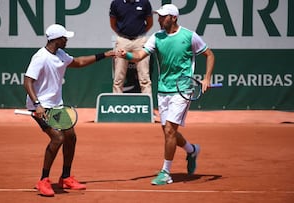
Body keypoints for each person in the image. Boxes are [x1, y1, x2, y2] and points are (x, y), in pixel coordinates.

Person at [116, 4, 215, 185]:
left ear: (174, 18)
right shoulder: (157, 37)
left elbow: (209, 54)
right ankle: (192, 150)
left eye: (163, 17)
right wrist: (127, 55)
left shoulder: (189, 36)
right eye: (159, 17)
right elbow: (140, 55)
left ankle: (165, 173)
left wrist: (207, 78)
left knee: (170, 130)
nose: (159, 20)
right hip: (163, 90)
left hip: (182, 90)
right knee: (169, 132)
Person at [23, 24, 114, 196]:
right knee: (57, 138)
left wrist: (105, 55)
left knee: (70, 137)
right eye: (65, 38)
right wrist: (37, 104)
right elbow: (27, 81)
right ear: (57, 39)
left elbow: (78, 62)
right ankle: (43, 180)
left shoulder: (60, 54)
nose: (67, 40)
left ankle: (65, 178)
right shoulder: (40, 57)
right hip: (40, 106)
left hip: (56, 105)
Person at [109, 0, 153, 94]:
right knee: (118, 78)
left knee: (144, 77)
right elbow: (113, 24)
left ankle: (147, 104)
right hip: (123, 40)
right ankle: (117, 103)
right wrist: (122, 35)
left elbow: (149, 23)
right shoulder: (116, 3)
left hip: (140, 40)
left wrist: (140, 33)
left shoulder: (144, 2)